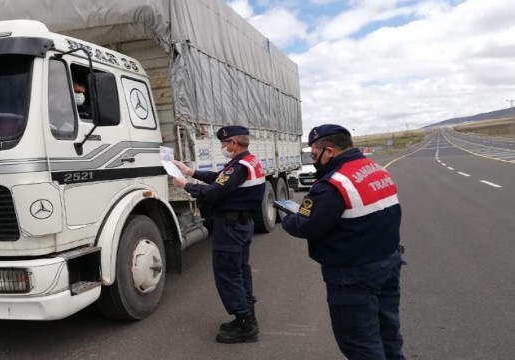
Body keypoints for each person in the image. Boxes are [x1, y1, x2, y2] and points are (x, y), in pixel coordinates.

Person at [281, 124, 406, 360]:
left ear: (329, 151)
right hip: (388, 262)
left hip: (353, 275)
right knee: (388, 333)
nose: (314, 159)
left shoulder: (332, 185)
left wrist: (290, 218)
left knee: (360, 343)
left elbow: (306, 226)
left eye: (314, 154)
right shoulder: (376, 169)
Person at [172, 125, 265, 344]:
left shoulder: (239, 166)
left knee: (228, 273)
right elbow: (219, 178)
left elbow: (215, 191)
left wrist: (186, 185)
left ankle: (245, 325)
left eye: (224, 143)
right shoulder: (249, 161)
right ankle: (247, 316)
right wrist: (190, 172)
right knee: (240, 270)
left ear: (234, 143)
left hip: (231, 226)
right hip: (241, 223)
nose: (223, 147)